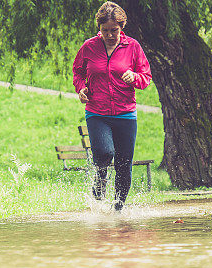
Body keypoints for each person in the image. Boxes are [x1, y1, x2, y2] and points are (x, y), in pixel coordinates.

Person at [72, 1, 152, 211]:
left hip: (125, 114)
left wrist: (134, 76)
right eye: (105, 30)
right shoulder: (89, 47)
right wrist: (81, 88)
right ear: (99, 28)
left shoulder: (132, 46)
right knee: (104, 153)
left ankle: (118, 209)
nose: (109, 34)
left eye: (114, 30)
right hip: (97, 113)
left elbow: (146, 78)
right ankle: (98, 194)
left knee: (124, 164)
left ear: (121, 27)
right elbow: (78, 72)